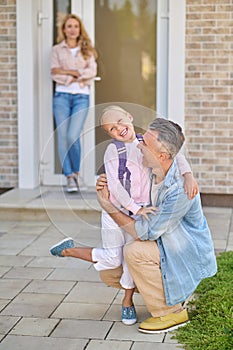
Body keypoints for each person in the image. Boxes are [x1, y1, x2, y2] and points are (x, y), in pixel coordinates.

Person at [50, 107, 198, 325]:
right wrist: (134, 208)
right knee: (112, 258)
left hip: (139, 214)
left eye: (120, 121)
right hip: (116, 212)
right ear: (109, 134)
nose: (119, 129)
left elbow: (176, 154)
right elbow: (117, 187)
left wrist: (188, 176)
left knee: (130, 259)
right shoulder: (113, 150)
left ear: (130, 117)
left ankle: (127, 302)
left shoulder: (146, 143)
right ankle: (69, 249)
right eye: (112, 128)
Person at [96, 117, 217, 334]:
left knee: (134, 251)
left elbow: (144, 232)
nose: (139, 145)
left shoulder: (179, 189)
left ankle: (171, 312)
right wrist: (109, 188)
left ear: (161, 156)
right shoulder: (154, 169)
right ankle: (166, 294)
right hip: (166, 243)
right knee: (112, 270)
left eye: (145, 144)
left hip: (185, 253)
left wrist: (108, 206)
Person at [51, 14, 97, 192]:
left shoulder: (87, 50)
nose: (72, 29)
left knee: (72, 136)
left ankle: (76, 174)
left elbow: (92, 71)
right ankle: (69, 177)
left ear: (79, 30)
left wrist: (68, 73)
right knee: (62, 138)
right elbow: (54, 73)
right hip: (61, 97)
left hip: (81, 97)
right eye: (69, 26)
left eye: (75, 26)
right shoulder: (56, 50)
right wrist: (75, 73)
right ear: (63, 29)